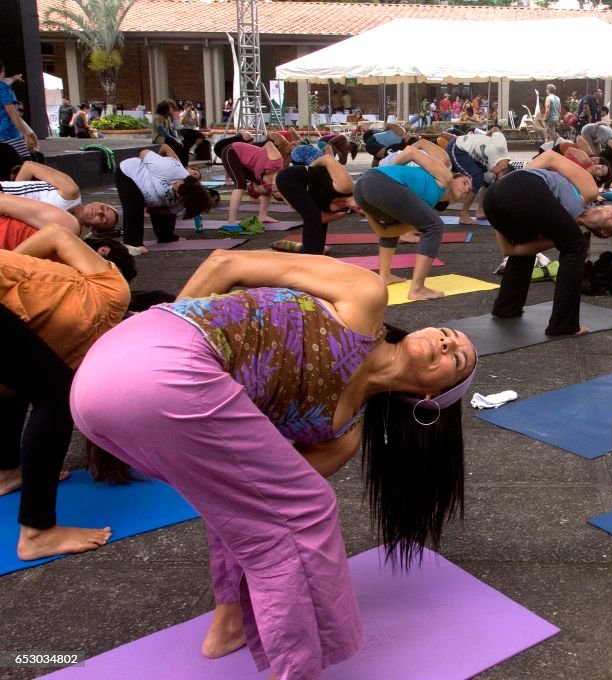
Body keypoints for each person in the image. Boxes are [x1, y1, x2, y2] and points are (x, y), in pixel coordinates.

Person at [71, 248, 477, 679]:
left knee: (257, 508)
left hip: (106, 399)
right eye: (449, 332)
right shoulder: (365, 295)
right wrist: (161, 348)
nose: (448, 341)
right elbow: (225, 265)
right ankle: (297, 669)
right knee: (308, 509)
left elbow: (249, 508)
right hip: (151, 351)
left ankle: (229, 623)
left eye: (458, 358)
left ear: (434, 400)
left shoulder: (340, 435)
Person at [1, 225, 133, 560]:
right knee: (57, 394)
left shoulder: (83, 356)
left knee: (33, 383)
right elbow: (57, 232)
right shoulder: (114, 291)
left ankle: (7, 471)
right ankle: (37, 532)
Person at [484, 150, 612, 336]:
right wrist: (515, 181)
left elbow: (511, 251)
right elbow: (551, 157)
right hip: (516, 186)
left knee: (539, 243)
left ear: (604, 233)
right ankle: (564, 325)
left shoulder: (557, 233)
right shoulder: (589, 192)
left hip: (495, 203)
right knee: (577, 246)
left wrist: (499, 221)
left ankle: (507, 308)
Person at [354, 146, 472, 299]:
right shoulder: (445, 176)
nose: (467, 189)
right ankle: (417, 288)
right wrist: (388, 172)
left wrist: (368, 211)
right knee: (435, 226)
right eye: (465, 182)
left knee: (395, 223)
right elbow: (411, 151)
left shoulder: (423, 203)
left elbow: (385, 232)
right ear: (455, 177)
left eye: (469, 190)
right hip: (378, 181)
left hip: (363, 190)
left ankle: (384, 275)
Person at [115, 145, 213, 246]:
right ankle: (133, 244)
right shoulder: (170, 169)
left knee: (166, 209)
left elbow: (168, 211)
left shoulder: (185, 200)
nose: (176, 185)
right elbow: (144, 153)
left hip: (153, 194)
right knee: (135, 206)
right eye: (179, 185)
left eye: (178, 193)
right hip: (129, 173)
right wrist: (151, 169)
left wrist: (151, 209)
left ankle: (166, 237)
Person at [275, 152, 361, 255]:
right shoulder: (347, 186)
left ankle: (316, 250)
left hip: (300, 189)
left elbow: (321, 220)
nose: (358, 207)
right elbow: (327, 159)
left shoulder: (340, 212)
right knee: (312, 216)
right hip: (290, 177)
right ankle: (311, 254)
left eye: (360, 211)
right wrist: (310, 169)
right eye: (361, 206)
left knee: (315, 216)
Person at [3, 161, 118, 233]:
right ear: (96, 202)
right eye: (103, 208)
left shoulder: (67, 230)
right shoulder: (71, 191)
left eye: (103, 219)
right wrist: (14, 192)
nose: (99, 212)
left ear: (93, 229)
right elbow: (29, 167)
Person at [442, 130, 514, 225]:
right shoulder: (500, 147)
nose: (494, 175)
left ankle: (480, 210)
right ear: (503, 167)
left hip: (470, 156)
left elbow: (487, 182)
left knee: (486, 180)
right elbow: (495, 129)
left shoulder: (495, 169)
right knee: (476, 178)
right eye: (496, 176)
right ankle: (463, 215)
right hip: (458, 147)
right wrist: (484, 138)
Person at [222, 140, 284, 225]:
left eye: (274, 193)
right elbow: (269, 143)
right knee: (240, 184)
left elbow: (257, 190)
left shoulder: (267, 184)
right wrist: (258, 155)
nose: (274, 190)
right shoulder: (277, 162)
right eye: (278, 191)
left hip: (244, 162)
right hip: (232, 150)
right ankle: (231, 221)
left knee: (264, 189)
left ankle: (262, 215)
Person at [0, 61, 38, 166]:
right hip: (9, 135)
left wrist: (15, 77)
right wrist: (26, 134)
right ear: (2, 70)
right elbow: (11, 112)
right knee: (25, 166)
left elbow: (7, 80)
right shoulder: (3, 87)